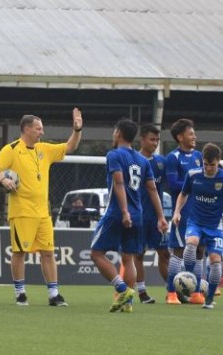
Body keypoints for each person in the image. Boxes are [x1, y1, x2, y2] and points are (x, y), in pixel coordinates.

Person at [0, 108, 84, 307]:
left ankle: (54, 294)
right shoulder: (12, 149)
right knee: (20, 252)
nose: (42, 132)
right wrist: (3, 179)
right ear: (27, 129)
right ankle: (20, 292)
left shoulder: (44, 149)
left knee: (48, 252)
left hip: (42, 213)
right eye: (38, 129)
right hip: (22, 212)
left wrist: (77, 129)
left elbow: (70, 147)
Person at [90, 119, 168, 313]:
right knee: (128, 259)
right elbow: (152, 190)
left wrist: (124, 211)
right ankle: (128, 303)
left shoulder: (114, 155)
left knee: (96, 253)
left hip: (117, 213)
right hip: (138, 216)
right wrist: (161, 217)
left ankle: (123, 289)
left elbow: (119, 183)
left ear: (118, 133)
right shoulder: (142, 160)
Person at [172, 143, 223, 309]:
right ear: (202, 161)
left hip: (215, 226)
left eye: (212, 165)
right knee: (192, 242)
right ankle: (190, 280)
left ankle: (209, 298)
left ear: (219, 162)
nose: (208, 168)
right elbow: (183, 194)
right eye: (206, 164)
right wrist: (177, 212)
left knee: (215, 260)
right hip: (195, 222)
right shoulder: (193, 175)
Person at [164, 118, 205, 305]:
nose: (194, 136)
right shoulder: (172, 158)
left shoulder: (199, 156)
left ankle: (196, 293)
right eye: (190, 133)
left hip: (200, 212)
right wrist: (195, 184)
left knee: (200, 250)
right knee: (179, 250)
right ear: (180, 137)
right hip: (183, 212)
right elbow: (173, 185)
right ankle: (171, 293)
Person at [135, 124, 170, 304]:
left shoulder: (161, 162)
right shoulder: (133, 161)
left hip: (157, 218)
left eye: (157, 140)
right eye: (151, 139)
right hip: (138, 216)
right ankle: (141, 292)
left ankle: (172, 291)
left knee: (164, 254)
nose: (155, 143)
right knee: (138, 254)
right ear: (142, 140)